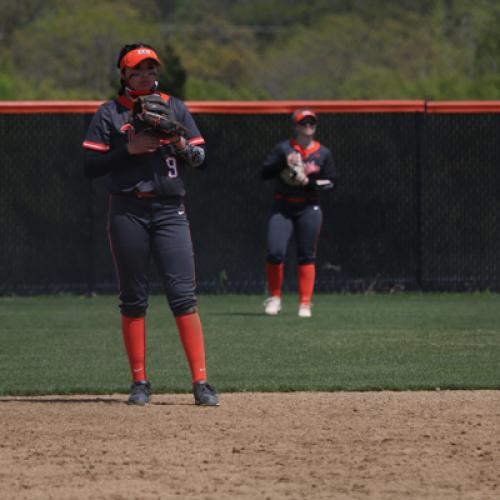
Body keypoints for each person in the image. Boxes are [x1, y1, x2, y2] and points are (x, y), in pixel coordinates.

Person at [82, 43, 219, 406]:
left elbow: (201, 159)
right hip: (127, 210)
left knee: (183, 296)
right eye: (137, 69)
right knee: (133, 299)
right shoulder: (110, 113)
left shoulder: (175, 107)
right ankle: (140, 381)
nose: (145, 75)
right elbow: (89, 166)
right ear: (123, 75)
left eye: (150, 68)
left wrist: (176, 139)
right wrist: (128, 149)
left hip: (170, 210)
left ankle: (201, 382)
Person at [261, 109, 336, 318]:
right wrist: (284, 163)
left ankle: (305, 303)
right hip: (283, 206)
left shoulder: (323, 153)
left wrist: (307, 182)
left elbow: (331, 182)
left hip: (308, 207)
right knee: (275, 251)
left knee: (307, 255)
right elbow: (264, 172)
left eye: (312, 122)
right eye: (304, 123)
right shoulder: (283, 149)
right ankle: (275, 297)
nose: (308, 126)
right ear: (295, 126)